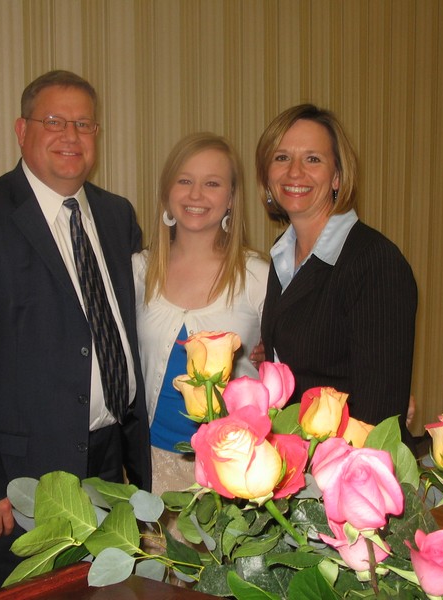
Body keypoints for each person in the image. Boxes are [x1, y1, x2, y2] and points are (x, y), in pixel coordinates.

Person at [0, 70, 151, 595]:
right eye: (54, 121)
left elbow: (131, 329)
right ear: (21, 131)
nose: (71, 135)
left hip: (110, 466)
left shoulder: (117, 216)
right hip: (18, 482)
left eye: (84, 123)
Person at [255, 104, 417, 445]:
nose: (294, 172)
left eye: (313, 159)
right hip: (298, 459)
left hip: (343, 473)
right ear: (267, 174)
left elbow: (377, 416)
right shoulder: (284, 253)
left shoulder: (373, 262)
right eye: (282, 157)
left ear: (338, 177)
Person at [133, 132, 269, 496]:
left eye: (212, 183)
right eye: (185, 181)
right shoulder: (137, 271)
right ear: (166, 193)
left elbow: (299, 356)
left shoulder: (257, 276)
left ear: (230, 199)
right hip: (148, 466)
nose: (196, 195)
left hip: (231, 469)